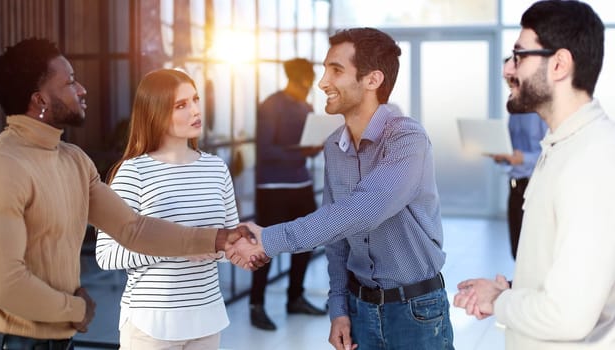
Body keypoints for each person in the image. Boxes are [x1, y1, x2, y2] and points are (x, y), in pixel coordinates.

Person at [0, 38, 261, 349]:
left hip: (60, 337)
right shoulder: (4, 166)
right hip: (13, 339)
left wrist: (217, 239)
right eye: (69, 82)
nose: (82, 89)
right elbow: (3, 280)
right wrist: (74, 309)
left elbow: (132, 228)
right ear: (40, 100)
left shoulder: (75, 161)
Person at [232, 27, 454, 350]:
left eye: (336, 70)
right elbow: (336, 238)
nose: (322, 82)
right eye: (325, 70)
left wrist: (267, 238)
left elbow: (360, 212)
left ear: (372, 80)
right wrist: (339, 308)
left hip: (415, 313)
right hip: (360, 310)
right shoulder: (335, 148)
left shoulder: (407, 139)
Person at [454, 1, 615, 349]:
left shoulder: (592, 160)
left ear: (558, 64)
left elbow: (569, 315)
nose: (508, 69)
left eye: (518, 56)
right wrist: (511, 290)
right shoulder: (561, 145)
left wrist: (497, 301)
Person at [95, 69, 236, 349]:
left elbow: (229, 243)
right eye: (181, 105)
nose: (195, 110)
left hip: (207, 321)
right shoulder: (134, 172)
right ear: (155, 113)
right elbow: (106, 255)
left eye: (195, 100)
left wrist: (227, 247)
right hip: (151, 326)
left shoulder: (216, 168)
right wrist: (182, 245)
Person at [249, 58, 326, 331]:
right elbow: (266, 150)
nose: (307, 88)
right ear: (294, 79)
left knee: (307, 241)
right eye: (305, 82)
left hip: (300, 183)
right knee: (266, 245)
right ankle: (256, 305)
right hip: (273, 187)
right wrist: (300, 152)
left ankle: (295, 298)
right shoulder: (271, 105)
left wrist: (314, 148)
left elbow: (305, 144)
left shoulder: (306, 106)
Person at [489, 67, 547, 259]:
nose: (509, 84)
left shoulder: (541, 111)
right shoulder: (514, 112)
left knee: (534, 253)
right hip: (515, 187)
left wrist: (523, 158)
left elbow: (551, 151)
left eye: (512, 79)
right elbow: (512, 149)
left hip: (535, 187)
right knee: (517, 249)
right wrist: (503, 156)